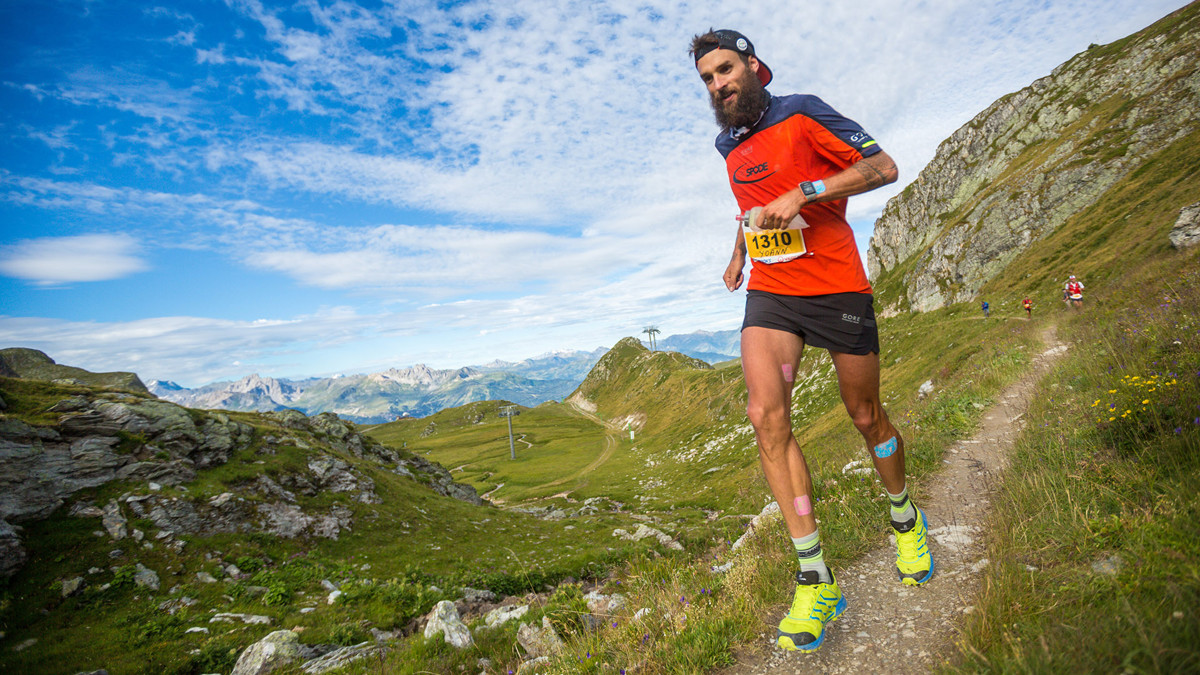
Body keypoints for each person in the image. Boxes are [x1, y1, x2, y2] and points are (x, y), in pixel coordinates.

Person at [691, 29, 933, 654]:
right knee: (765, 416)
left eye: (725, 70)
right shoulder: (727, 144)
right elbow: (748, 202)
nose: (719, 85)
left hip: (836, 290)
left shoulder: (802, 112)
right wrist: (739, 253)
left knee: (865, 414)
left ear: (754, 66)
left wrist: (809, 190)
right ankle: (816, 577)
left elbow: (883, 167)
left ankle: (905, 516)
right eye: (708, 79)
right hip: (772, 293)